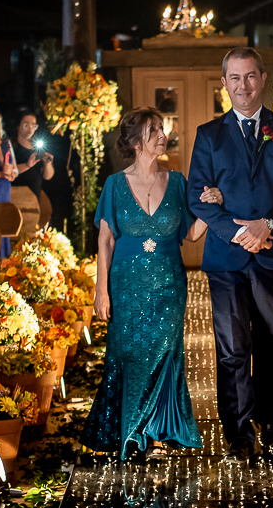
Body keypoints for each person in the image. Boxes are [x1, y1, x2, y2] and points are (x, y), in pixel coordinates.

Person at [187, 47, 273, 461]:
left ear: (263, 78)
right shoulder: (209, 135)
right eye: (235, 78)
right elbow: (198, 196)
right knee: (232, 346)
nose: (243, 86)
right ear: (224, 84)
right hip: (226, 258)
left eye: (250, 77)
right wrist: (239, 231)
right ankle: (238, 429)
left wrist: (268, 225)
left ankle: (265, 411)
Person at [81, 108, 211, 460]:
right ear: (136, 141)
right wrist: (101, 290)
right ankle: (131, 431)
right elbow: (105, 242)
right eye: (153, 130)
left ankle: (158, 430)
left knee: (165, 354)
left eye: (162, 128)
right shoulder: (114, 185)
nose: (162, 134)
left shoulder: (179, 182)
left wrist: (211, 209)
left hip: (169, 285)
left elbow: (192, 234)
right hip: (126, 285)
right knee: (129, 354)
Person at [13, 112, 55, 198]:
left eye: (33, 125)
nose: (30, 129)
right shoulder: (11, 147)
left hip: (34, 196)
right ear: (18, 125)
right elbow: (8, 170)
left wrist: (48, 164)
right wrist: (27, 166)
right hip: (15, 194)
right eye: (26, 125)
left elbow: (47, 177)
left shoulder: (38, 148)